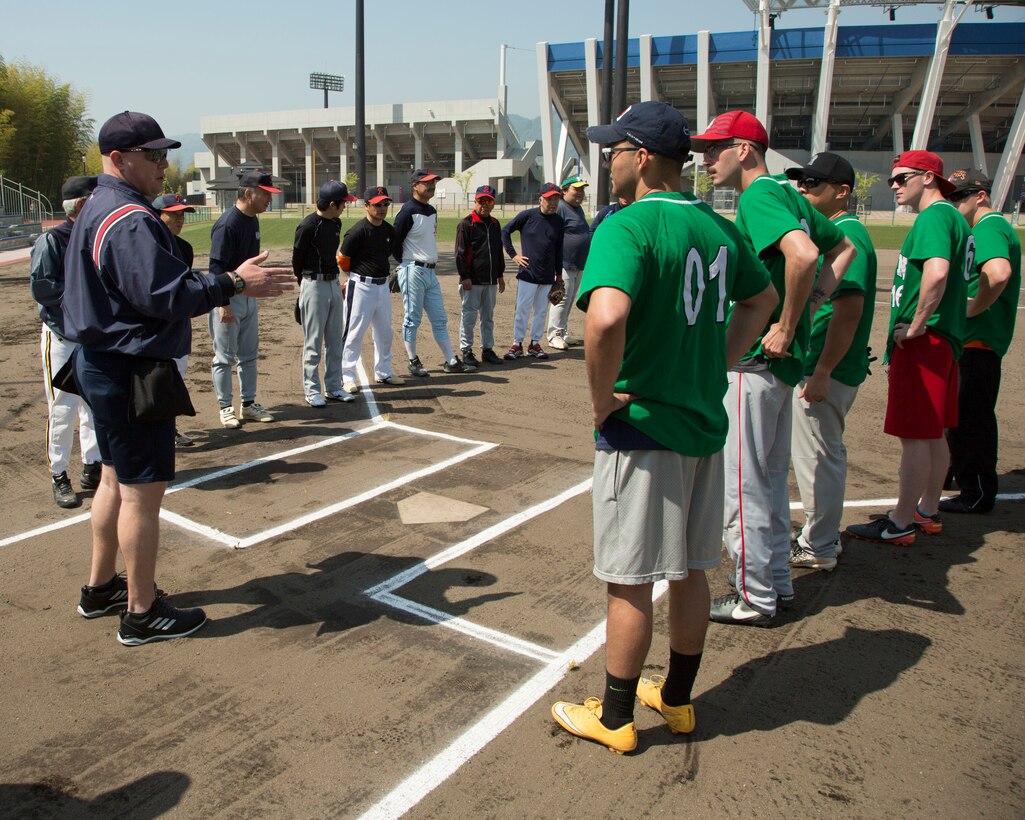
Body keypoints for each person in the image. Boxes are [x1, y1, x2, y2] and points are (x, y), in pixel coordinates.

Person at [550, 101, 777, 754]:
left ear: (641, 156)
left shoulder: (628, 225)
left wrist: (600, 399)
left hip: (643, 425)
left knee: (629, 578)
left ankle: (616, 717)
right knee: (690, 570)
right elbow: (760, 300)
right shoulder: (715, 224)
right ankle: (676, 699)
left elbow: (604, 320)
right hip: (702, 421)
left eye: (613, 149)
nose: (607, 160)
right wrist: (718, 360)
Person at [62, 111, 293, 645]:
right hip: (131, 368)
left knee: (116, 478)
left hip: (100, 360)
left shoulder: (96, 206)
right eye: (154, 155)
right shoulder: (128, 217)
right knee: (143, 494)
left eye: (165, 153)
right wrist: (234, 281)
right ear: (119, 158)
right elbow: (163, 296)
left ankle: (100, 588)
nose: (164, 165)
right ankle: (141, 614)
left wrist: (220, 280)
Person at [692, 110, 856, 625]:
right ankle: (776, 584)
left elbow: (804, 256)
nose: (705, 159)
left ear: (745, 149)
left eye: (715, 149)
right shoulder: (787, 196)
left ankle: (753, 596)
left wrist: (787, 321)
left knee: (743, 487)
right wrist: (807, 304)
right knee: (766, 481)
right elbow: (842, 246)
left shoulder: (762, 194)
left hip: (756, 361)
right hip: (776, 369)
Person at [846, 151, 969, 545]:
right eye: (893, 180)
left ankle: (900, 523)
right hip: (944, 339)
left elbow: (937, 272)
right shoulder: (952, 217)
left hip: (927, 341)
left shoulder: (935, 216)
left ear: (929, 178)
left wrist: (916, 327)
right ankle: (926, 510)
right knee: (932, 433)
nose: (894, 185)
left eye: (902, 178)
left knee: (915, 435)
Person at [783, 153, 877, 572]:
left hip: (826, 368)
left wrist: (821, 372)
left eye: (813, 183)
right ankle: (819, 539)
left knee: (817, 457)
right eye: (802, 183)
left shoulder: (845, 232)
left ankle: (819, 544)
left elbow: (849, 310)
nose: (804, 189)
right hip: (826, 364)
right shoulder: (834, 233)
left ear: (842, 192)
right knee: (819, 453)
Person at [940, 169, 1019, 514]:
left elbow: (999, 272)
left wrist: (974, 307)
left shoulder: (989, 227)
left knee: (971, 417)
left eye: (959, 197)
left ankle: (977, 491)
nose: (954, 204)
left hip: (979, 341)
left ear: (981, 196)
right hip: (974, 341)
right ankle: (954, 474)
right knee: (960, 414)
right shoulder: (983, 228)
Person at [30, 175, 102, 508]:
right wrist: (83, 298)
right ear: (81, 204)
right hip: (61, 336)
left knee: (91, 404)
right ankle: (59, 474)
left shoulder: (92, 235)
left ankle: (92, 465)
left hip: (89, 336)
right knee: (62, 408)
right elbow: (42, 288)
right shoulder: (53, 239)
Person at [209, 169, 283, 428]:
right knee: (224, 357)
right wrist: (223, 304)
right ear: (249, 193)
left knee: (249, 355)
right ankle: (225, 407)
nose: (269, 199)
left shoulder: (252, 219)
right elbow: (215, 269)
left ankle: (249, 404)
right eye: (265, 194)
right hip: (228, 298)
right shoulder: (228, 223)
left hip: (249, 298)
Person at [392, 168, 476, 377]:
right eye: (426, 182)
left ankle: (450, 360)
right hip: (413, 269)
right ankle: (413, 361)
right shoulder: (407, 211)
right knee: (413, 318)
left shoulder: (431, 211)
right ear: (415, 185)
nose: (431, 185)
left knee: (440, 318)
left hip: (430, 272)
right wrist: (402, 266)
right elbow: (395, 243)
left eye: (433, 182)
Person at [292, 180, 353, 406]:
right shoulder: (308, 225)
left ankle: (334, 387)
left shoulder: (335, 223)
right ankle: (312, 390)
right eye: (342, 203)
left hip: (333, 284)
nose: (344, 207)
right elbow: (296, 260)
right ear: (331, 204)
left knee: (336, 340)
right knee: (314, 342)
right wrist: (305, 289)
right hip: (313, 284)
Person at [339, 186, 405, 391]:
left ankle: (383, 371)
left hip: (382, 286)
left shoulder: (388, 230)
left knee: (385, 332)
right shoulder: (357, 231)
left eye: (385, 203)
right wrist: (350, 279)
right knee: (353, 332)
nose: (383, 208)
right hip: (360, 286)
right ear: (366, 206)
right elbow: (343, 259)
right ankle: (346, 376)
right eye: (377, 204)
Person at [152, 193, 199, 447]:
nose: (180, 219)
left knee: (175, 379)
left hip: (178, 325)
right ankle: (155, 432)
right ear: (158, 216)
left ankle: (169, 429)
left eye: (182, 214)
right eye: (174, 214)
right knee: (152, 383)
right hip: (154, 329)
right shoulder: (148, 246)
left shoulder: (185, 249)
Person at [500, 183, 566, 360]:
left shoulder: (559, 222)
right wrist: (513, 255)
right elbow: (505, 231)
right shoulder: (528, 216)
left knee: (541, 311)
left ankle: (535, 344)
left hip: (547, 275)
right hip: (528, 273)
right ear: (541, 199)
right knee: (522, 309)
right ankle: (517, 343)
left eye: (556, 199)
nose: (553, 202)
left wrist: (558, 275)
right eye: (549, 199)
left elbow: (559, 250)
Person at [455, 184, 506, 366]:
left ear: (493, 203)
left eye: (488, 201)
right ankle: (466, 350)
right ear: (475, 201)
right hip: (473, 281)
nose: (484, 204)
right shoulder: (466, 224)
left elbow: (498, 251)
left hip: (491, 279)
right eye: (481, 201)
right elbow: (460, 253)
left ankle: (487, 349)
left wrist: (499, 275)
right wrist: (465, 276)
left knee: (488, 317)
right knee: (469, 317)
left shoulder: (494, 223)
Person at [546, 175, 590, 350]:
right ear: (564, 191)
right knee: (560, 299)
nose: (580, 193)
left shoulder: (576, 209)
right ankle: (553, 335)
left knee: (570, 298)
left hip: (577, 263)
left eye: (582, 189)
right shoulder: (561, 208)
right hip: (563, 263)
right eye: (576, 189)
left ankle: (562, 331)